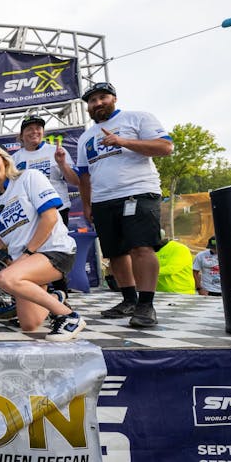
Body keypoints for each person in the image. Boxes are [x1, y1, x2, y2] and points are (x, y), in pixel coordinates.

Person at [0, 145, 85, 341]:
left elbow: (50, 218)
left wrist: (28, 253)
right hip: (26, 261)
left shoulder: (29, 177)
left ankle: (68, 316)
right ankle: (55, 298)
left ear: (5, 161)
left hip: (54, 250)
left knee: (4, 278)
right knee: (29, 324)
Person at [76, 82, 173, 327]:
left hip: (137, 192)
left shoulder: (137, 118)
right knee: (115, 253)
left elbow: (165, 147)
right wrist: (87, 205)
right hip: (102, 200)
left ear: (114, 99)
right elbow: (84, 175)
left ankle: (146, 305)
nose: (98, 103)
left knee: (141, 248)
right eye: (92, 100)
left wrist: (123, 141)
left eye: (103, 97)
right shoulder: (85, 137)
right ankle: (129, 300)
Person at [11, 116, 80, 294]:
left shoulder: (55, 151)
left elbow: (75, 180)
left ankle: (61, 293)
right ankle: (37, 293)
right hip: (30, 215)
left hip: (56, 209)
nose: (34, 132)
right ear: (21, 135)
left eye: (38, 128)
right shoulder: (15, 158)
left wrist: (62, 163)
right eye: (29, 129)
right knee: (33, 251)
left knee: (55, 250)